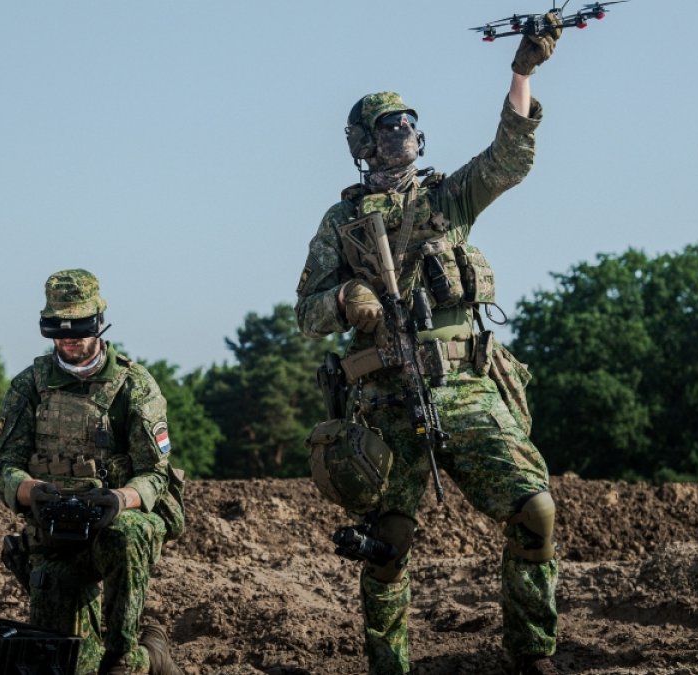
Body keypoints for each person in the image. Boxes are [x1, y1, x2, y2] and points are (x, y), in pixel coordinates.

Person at [295, 16, 564, 675]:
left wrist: (522, 70)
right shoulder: (341, 222)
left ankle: (531, 654)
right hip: (385, 396)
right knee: (389, 543)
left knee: (536, 510)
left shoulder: (447, 198)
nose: (399, 138)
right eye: (384, 130)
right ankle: (390, 666)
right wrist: (345, 302)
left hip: (465, 386)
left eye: (405, 126)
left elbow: (509, 158)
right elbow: (306, 311)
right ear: (362, 144)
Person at [0, 268, 184, 675]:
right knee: (66, 662)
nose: (69, 338)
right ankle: (149, 657)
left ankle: (128, 653)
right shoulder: (29, 386)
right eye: (59, 329)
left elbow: (154, 473)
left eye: (78, 326)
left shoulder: (134, 385)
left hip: (114, 531)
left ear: (98, 322)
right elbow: (4, 466)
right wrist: (31, 492)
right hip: (54, 535)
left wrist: (119, 499)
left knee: (126, 533)